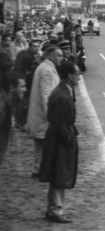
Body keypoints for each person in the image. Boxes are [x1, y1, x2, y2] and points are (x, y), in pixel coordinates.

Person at [38, 61, 80, 223]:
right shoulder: (62, 96)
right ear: (69, 76)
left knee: (58, 173)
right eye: (77, 75)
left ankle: (52, 208)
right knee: (60, 174)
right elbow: (61, 122)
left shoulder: (63, 90)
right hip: (60, 139)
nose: (79, 78)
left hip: (58, 136)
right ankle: (56, 210)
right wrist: (68, 139)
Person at [27, 45, 63, 177]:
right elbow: (46, 95)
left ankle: (38, 168)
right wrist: (51, 117)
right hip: (43, 115)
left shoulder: (44, 67)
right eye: (58, 55)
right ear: (50, 56)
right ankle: (44, 169)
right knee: (47, 143)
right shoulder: (47, 70)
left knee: (40, 145)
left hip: (39, 115)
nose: (61, 58)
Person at [0, 73, 26, 169]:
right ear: (12, 88)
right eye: (22, 86)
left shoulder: (7, 104)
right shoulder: (2, 107)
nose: (25, 89)